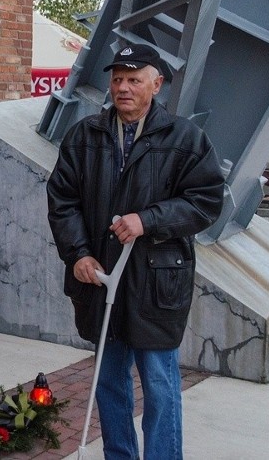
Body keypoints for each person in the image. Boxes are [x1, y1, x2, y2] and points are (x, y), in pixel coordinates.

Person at [47, 43, 225, 459]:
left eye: (134, 79)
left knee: (160, 387)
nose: (123, 88)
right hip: (101, 281)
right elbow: (62, 200)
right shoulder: (84, 136)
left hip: (156, 286)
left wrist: (149, 219)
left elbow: (206, 201)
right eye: (117, 79)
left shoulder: (186, 139)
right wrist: (79, 255)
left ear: (156, 84)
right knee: (109, 383)